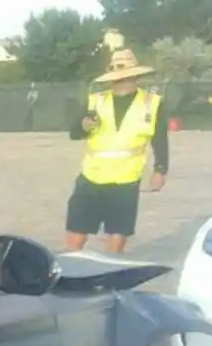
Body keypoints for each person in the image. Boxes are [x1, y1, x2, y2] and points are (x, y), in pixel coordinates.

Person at [64, 47, 168, 254]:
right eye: (117, 77)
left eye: (125, 76)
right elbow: (74, 133)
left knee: (118, 232)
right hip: (91, 176)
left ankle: (109, 271)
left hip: (126, 179)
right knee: (76, 230)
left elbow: (160, 139)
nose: (120, 81)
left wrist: (160, 170)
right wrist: (83, 126)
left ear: (135, 76)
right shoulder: (96, 100)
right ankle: (71, 269)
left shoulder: (153, 103)